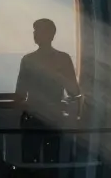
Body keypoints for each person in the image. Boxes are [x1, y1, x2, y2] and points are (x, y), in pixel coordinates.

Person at [14, 18, 81, 163]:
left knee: (30, 161)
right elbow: (74, 92)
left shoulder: (28, 60)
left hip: (33, 118)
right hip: (54, 117)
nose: (35, 34)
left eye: (38, 31)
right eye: (35, 31)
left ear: (50, 34)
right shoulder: (63, 59)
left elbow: (19, 94)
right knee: (52, 160)